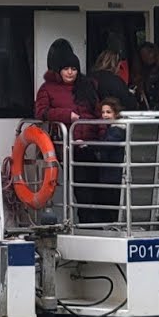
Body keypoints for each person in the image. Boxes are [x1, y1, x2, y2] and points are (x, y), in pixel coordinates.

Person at [35, 38, 99, 221]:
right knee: (81, 187)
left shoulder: (87, 86)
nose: (70, 72)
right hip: (68, 146)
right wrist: (67, 115)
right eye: (66, 69)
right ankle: (88, 223)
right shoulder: (47, 89)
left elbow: (97, 112)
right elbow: (41, 112)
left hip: (91, 144)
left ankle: (97, 222)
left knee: (97, 185)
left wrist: (102, 137)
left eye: (73, 69)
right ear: (58, 70)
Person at [89, 97, 127, 223]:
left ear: (116, 113)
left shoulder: (117, 130)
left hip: (113, 174)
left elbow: (108, 145)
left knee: (111, 204)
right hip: (112, 174)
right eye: (103, 112)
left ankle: (113, 225)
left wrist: (89, 145)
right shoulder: (114, 128)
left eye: (108, 112)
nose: (105, 115)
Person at [133, 42, 159, 109]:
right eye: (144, 55)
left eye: (149, 52)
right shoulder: (141, 76)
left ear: (155, 52)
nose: (148, 56)